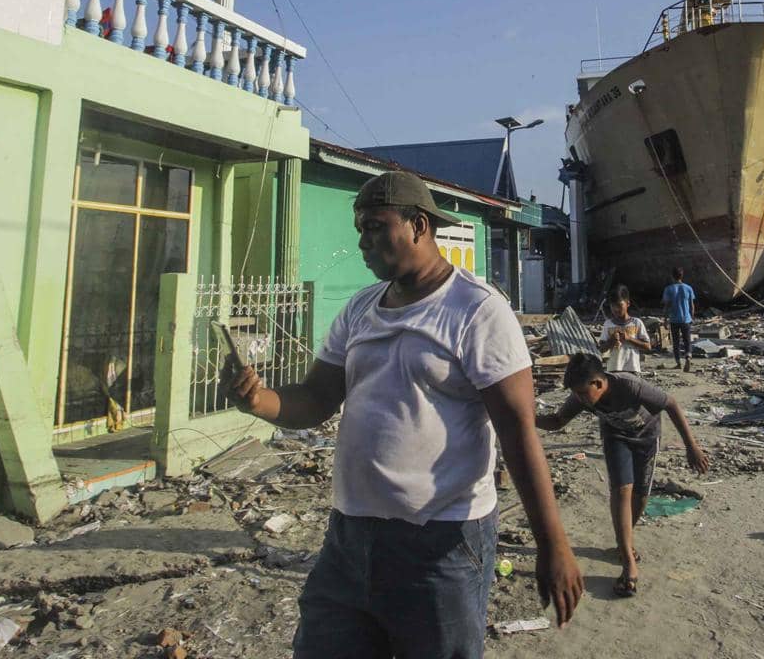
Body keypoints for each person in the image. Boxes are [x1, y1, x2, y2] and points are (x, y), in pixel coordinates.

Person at [227, 171, 583, 659]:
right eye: (359, 228)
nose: (362, 241)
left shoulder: (476, 310)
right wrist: (260, 401)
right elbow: (316, 398)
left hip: (442, 543)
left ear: (418, 225)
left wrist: (553, 544)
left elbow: (518, 432)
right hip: (349, 538)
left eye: (374, 226)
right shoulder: (360, 309)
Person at [535, 353, 709, 599]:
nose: (581, 399)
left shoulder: (629, 385)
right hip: (616, 439)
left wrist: (692, 447)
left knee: (640, 498)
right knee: (621, 491)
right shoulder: (581, 397)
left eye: (584, 393)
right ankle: (629, 564)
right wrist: (525, 417)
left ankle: (624, 542)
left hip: (647, 438)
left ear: (598, 383)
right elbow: (556, 420)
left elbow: (670, 404)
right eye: (576, 394)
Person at [599, 285, 651, 373]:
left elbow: (648, 346)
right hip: (614, 370)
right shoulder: (608, 324)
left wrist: (629, 338)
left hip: (632, 369)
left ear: (628, 304)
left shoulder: (636, 323)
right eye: (613, 306)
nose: (616, 309)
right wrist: (611, 341)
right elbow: (601, 349)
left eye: (619, 305)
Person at [662, 268, 696, 371]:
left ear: (672, 276)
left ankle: (678, 363)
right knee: (687, 340)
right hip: (686, 319)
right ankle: (688, 357)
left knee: (676, 342)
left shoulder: (668, 289)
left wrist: (665, 319)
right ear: (682, 276)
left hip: (674, 320)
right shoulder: (688, 288)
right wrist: (692, 317)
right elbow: (692, 305)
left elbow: (667, 306)